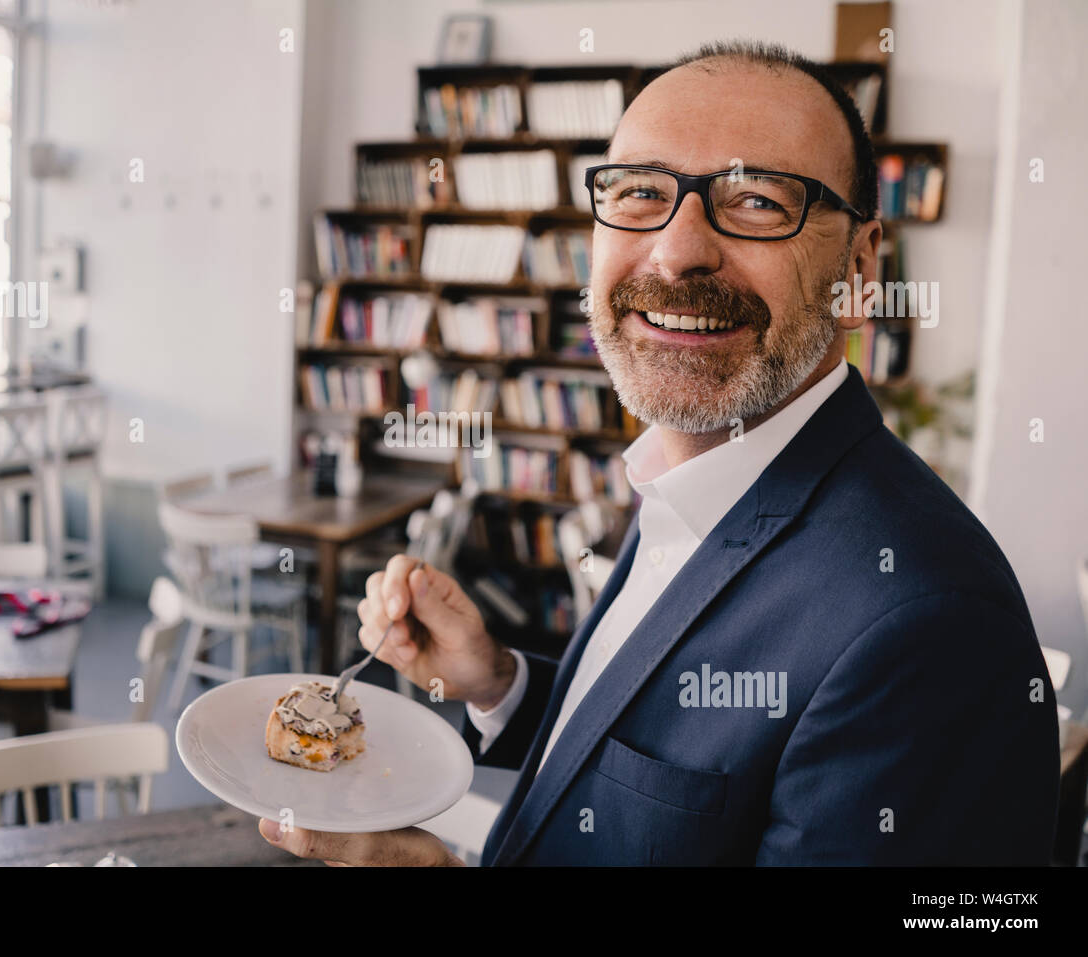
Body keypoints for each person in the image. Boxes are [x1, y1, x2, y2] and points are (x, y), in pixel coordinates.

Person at [259, 40, 1060, 866]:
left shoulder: (930, 627)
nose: (677, 252)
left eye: (755, 200)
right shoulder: (695, 474)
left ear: (858, 271)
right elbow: (660, 773)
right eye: (640, 191)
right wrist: (499, 682)